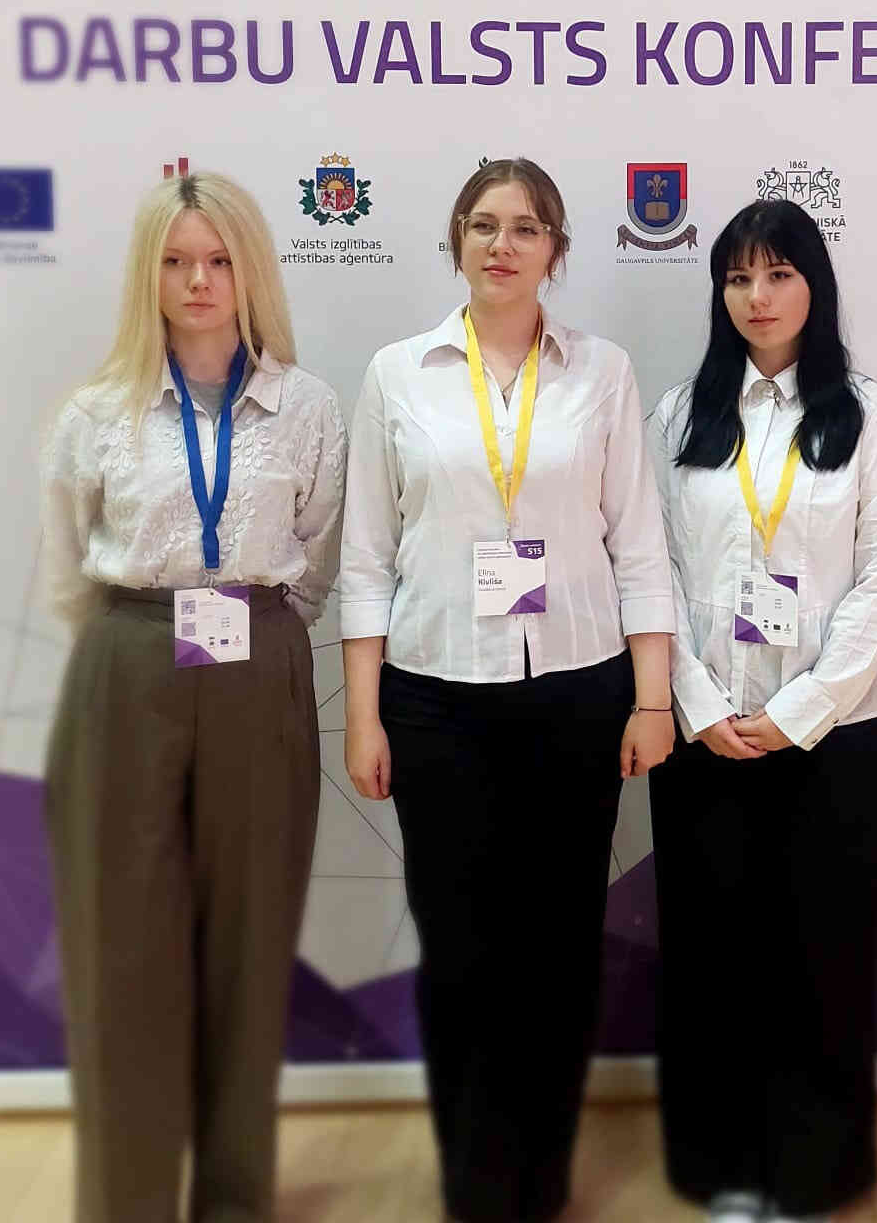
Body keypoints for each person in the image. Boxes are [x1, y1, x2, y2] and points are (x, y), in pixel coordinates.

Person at [340, 156, 675, 1223]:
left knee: (560, 948)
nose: (503, 244)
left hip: (578, 694)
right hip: (435, 701)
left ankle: (541, 1177)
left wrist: (652, 697)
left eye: (526, 227)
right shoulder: (398, 373)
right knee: (460, 951)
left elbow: (640, 545)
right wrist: (362, 714)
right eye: (483, 224)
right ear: (456, 240)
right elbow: (365, 558)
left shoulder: (602, 371)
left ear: (555, 251)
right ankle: (477, 1182)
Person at [40, 170, 346, 1223]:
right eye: (175, 262)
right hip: (130, 665)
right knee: (122, 947)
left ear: (251, 269)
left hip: (259, 659)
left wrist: (255, 633)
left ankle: (234, 1201)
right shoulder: (97, 412)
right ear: (148, 274)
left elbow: (316, 560)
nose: (199, 281)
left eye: (218, 260)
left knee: (250, 947)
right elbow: (68, 571)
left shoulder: (306, 408)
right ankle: (126, 1202)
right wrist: (139, 641)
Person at [647, 199, 877, 1223]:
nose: (757, 297)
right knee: (713, 958)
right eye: (737, 278)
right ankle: (725, 1168)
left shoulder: (872, 416)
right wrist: (696, 701)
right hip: (706, 736)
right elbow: (650, 571)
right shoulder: (679, 415)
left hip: (840, 741)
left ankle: (814, 1173)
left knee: (826, 959)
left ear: (815, 284)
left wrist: (803, 708)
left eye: (778, 274)